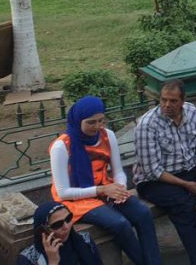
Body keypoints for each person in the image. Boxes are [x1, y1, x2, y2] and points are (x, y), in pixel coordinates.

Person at [50, 96, 160, 265]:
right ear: (78, 121)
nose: (97, 126)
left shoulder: (107, 136)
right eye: (91, 122)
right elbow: (63, 192)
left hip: (105, 189)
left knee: (143, 214)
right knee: (120, 223)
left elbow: (118, 171)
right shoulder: (61, 146)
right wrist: (102, 190)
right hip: (76, 200)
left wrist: (120, 187)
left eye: (101, 120)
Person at [133, 80, 196, 265]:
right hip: (155, 181)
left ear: (183, 100)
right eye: (163, 100)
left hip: (189, 169)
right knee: (184, 206)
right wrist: (186, 185)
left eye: (173, 101)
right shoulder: (147, 124)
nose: (167, 105)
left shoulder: (191, 111)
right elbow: (152, 170)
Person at [16, 201, 102, 265]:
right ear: (43, 230)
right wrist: (53, 262)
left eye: (68, 219)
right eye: (57, 224)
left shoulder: (85, 240)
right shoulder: (29, 258)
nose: (66, 227)